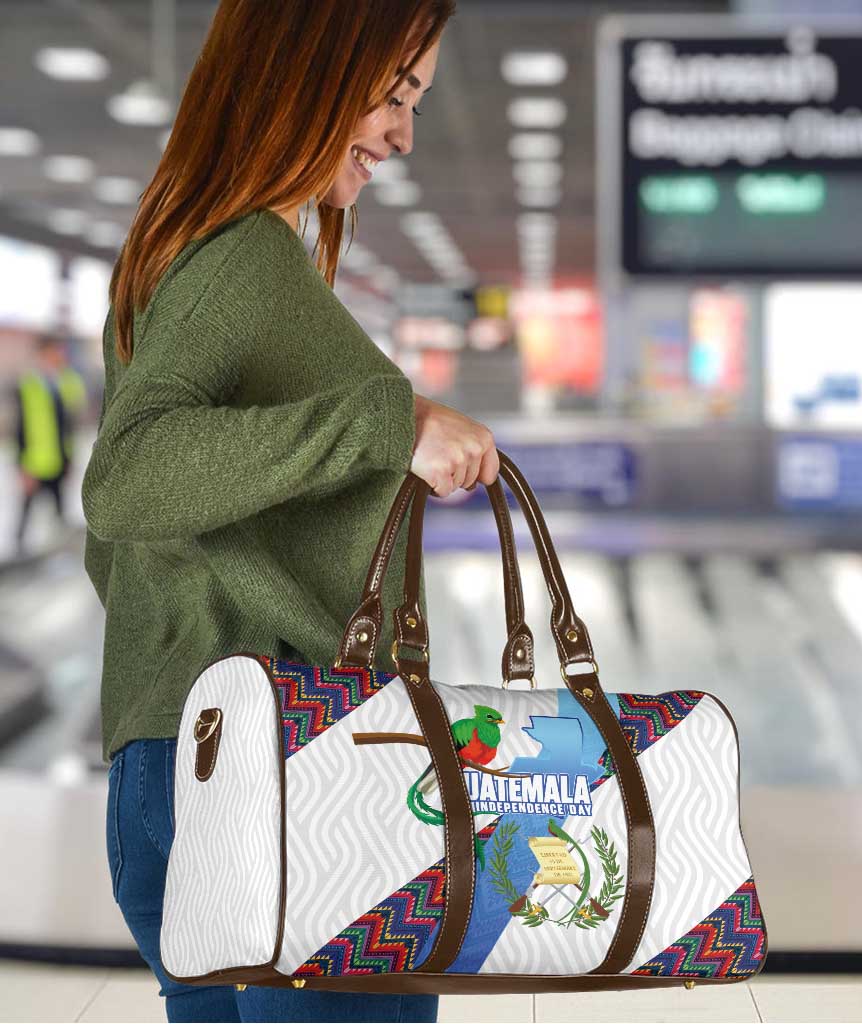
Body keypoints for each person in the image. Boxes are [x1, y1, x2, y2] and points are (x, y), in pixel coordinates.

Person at [80, 2, 497, 1021]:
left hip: (185, 754)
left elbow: (135, 536)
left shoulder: (187, 251)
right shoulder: (240, 260)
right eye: (395, 94)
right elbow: (126, 477)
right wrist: (384, 424)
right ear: (306, 65)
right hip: (291, 770)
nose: (402, 133)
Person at [11, 331, 85, 556]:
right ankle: (18, 554)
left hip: (60, 459)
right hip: (35, 462)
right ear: (43, 353)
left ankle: (59, 554)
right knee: (26, 512)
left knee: (60, 511)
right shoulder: (28, 385)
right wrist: (22, 466)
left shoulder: (65, 381)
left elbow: (71, 419)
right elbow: (20, 428)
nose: (59, 355)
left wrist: (70, 458)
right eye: (54, 351)